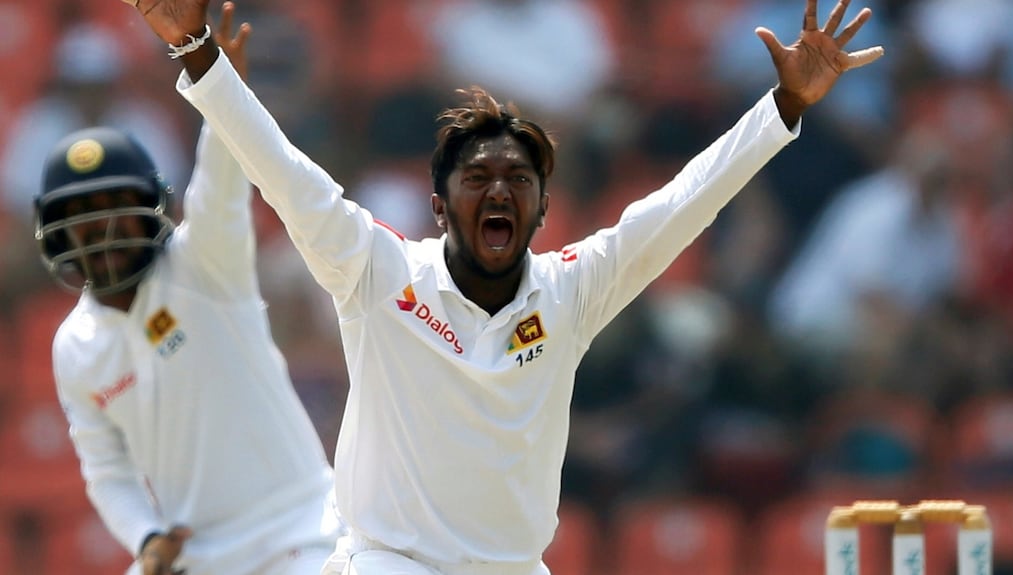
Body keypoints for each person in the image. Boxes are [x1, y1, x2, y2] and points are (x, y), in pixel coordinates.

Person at [125, 0, 884, 573]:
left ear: (543, 209)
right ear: (438, 204)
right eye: (476, 178)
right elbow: (281, 171)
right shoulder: (378, 270)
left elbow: (685, 202)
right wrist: (197, 53)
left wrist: (782, 107)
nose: (498, 192)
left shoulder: (569, 293)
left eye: (518, 179)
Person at [34, 5, 341, 574]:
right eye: (81, 216)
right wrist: (148, 540)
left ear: (150, 208)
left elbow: (219, 183)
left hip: (300, 528)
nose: (100, 232)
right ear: (55, 233)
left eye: (114, 209)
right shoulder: (73, 345)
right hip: (195, 556)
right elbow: (108, 472)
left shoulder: (203, 263)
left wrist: (215, 78)